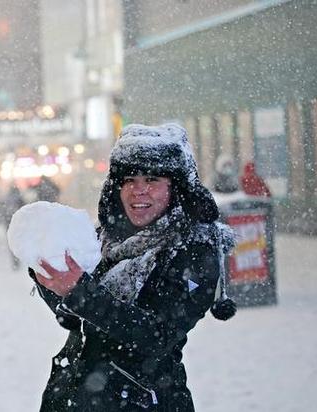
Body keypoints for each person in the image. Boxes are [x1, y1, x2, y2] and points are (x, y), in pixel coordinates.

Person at [30, 123, 237, 411]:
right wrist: (50, 277)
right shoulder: (105, 240)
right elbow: (77, 320)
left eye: (152, 179)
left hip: (142, 400)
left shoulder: (193, 251)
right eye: (129, 180)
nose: (138, 191)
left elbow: (156, 335)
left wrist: (79, 290)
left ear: (176, 186)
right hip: (77, 396)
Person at [3, 184, 25, 270]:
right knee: (19, 243)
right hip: (18, 224)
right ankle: (19, 260)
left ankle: (15, 261)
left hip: (9, 223)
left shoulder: (7, 199)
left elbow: (4, 211)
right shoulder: (20, 199)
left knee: (12, 244)